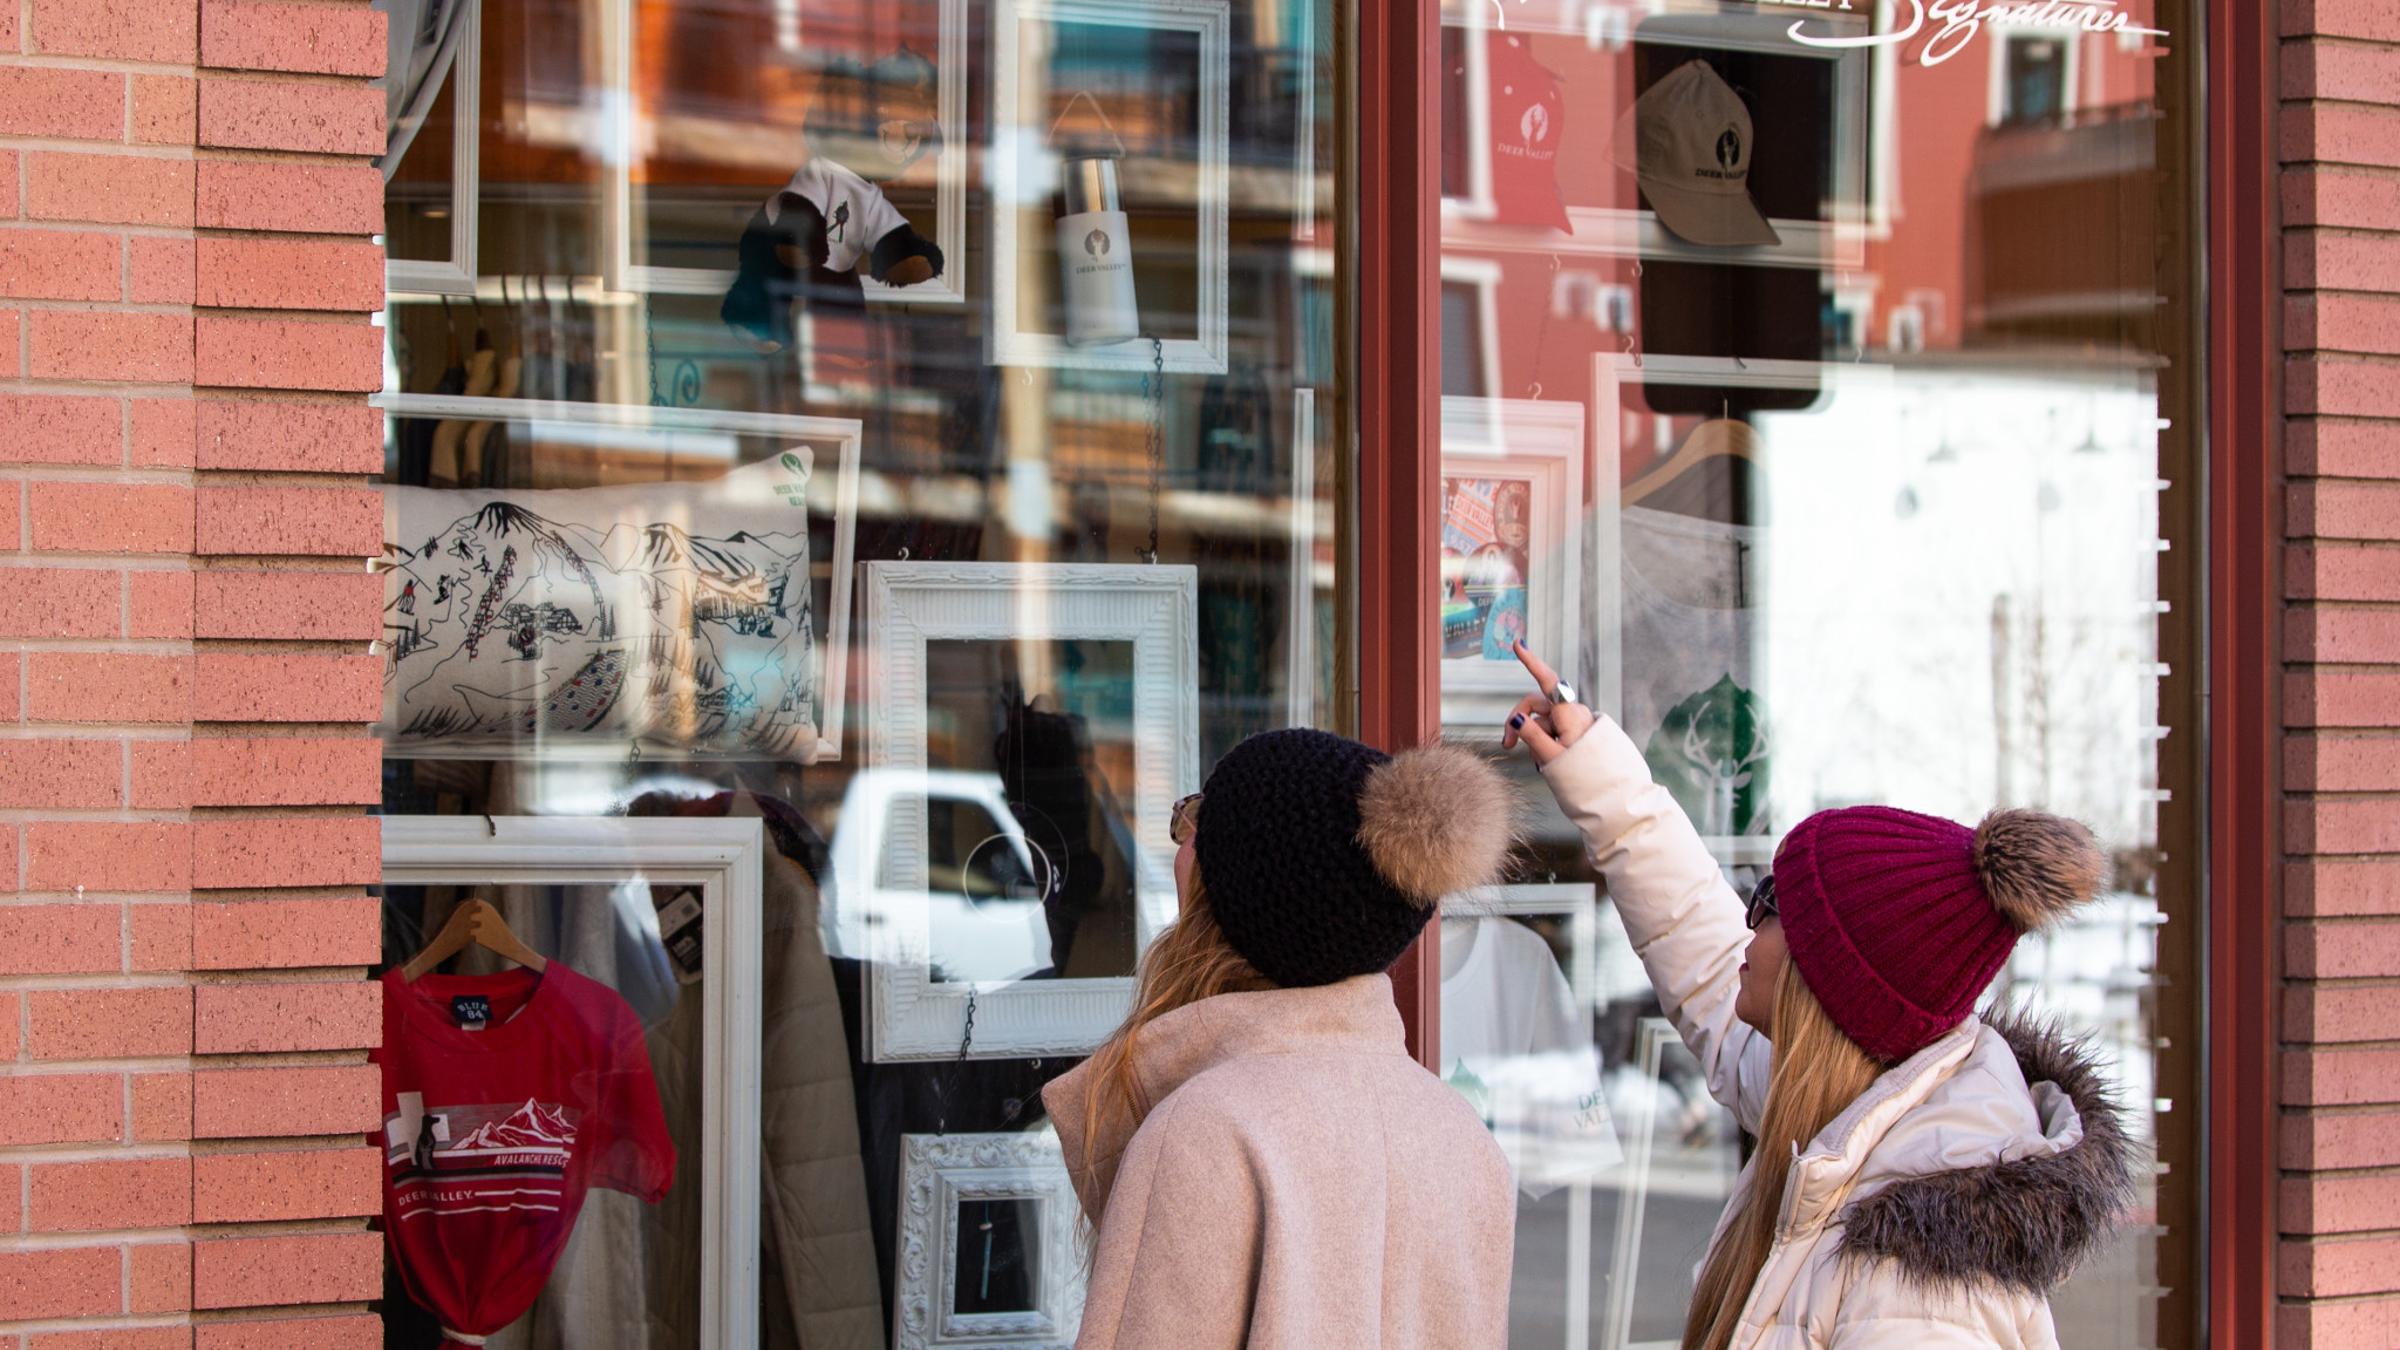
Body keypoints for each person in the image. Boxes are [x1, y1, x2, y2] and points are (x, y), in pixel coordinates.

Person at [1502, 643, 2133, 1350]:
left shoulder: (1920, 1290)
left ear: (1827, 982)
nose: (1748, 920)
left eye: (1771, 904)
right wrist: (1593, 768)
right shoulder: (1846, 1111)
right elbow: (1699, 944)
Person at [1041, 729, 1521, 1349]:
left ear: (1237, 887)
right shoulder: (1462, 1138)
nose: (1181, 845)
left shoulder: (1208, 1131)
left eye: (1199, 823)